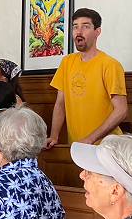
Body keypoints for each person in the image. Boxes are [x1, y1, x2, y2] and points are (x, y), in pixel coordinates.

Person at [44, 8, 127, 148]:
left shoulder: (110, 65)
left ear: (97, 32)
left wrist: (90, 139)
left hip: (106, 147)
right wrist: (54, 135)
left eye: (85, 26)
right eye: (75, 27)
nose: (79, 31)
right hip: (78, 145)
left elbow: (121, 110)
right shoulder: (67, 62)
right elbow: (60, 103)